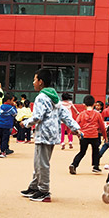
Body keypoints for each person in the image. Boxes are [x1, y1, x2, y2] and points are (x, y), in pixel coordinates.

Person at [21, 69, 82, 203]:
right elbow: (64, 114)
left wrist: (25, 123)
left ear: (40, 82)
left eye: (35, 79)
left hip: (43, 134)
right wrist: (76, 128)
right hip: (52, 134)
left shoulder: (41, 97)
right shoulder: (53, 96)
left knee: (42, 163)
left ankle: (44, 191)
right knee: (39, 162)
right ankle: (34, 186)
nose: (33, 82)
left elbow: (37, 116)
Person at [69, 95, 106, 175]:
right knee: (96, 151)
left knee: (82, 152)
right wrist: (105, 136)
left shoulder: (81, 114)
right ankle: (95, 166)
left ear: (84, 104)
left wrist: (73, 132)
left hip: (84, 135)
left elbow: (75, 124)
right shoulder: (97, 114)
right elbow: (102, 126)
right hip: (94, 135)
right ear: (94, 104)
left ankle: (74, 164)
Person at [0, 94, 17, 158]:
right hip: (7, 125)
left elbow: (0, 113)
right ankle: (3, 151)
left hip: (0, 124)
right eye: (12, 100)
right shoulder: (10, 107)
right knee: (5, 138)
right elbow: (15, 113)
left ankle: (1, 150)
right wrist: (14, 107)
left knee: (1, 138)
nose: (13, 102)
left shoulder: (1, 106)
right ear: (8, 100)